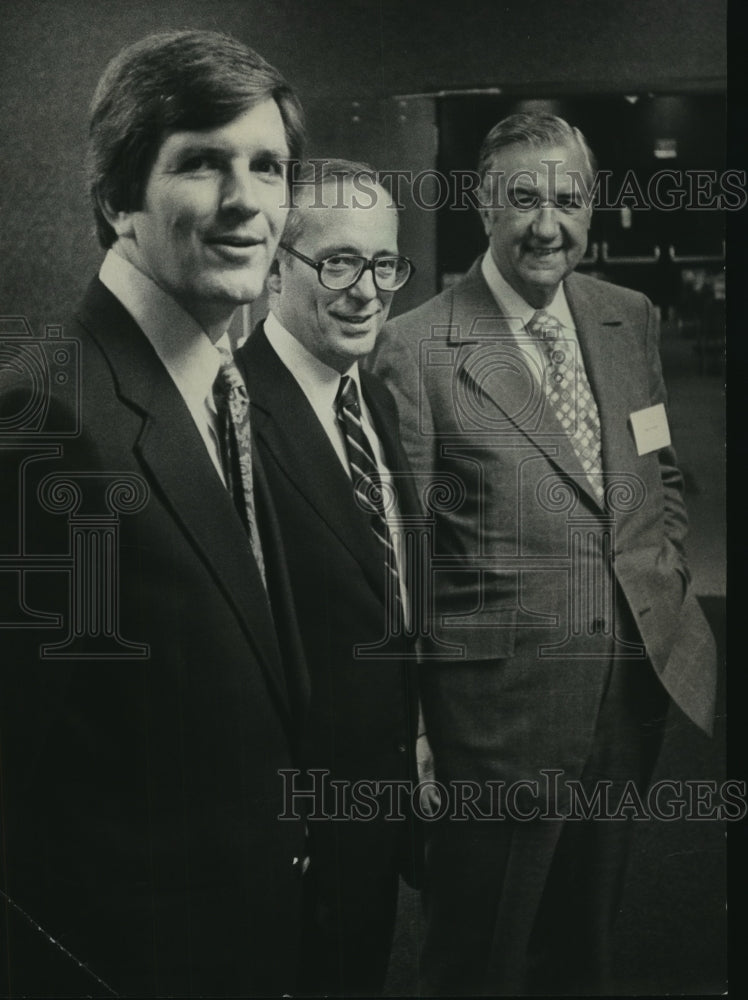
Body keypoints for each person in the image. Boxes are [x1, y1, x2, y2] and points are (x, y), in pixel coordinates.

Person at [367, 112, 717, 995]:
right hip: (494, 721)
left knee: (586, 948)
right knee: (480, 957)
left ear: (593, 206)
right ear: (484, 201)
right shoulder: (415, 350)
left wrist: (662, 571)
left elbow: (658, 470)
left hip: (629, 689)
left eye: (568, 200)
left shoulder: (624, 317)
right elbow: (397, 560)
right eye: (523, 198)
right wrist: (411, 729)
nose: (546, 224)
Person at [0, 29, 307, 997]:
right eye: (202, 163)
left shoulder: (226, 384)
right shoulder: (45, 414)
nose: (247, 202)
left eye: (268, 165)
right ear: (116, 197)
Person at [238, 159, 425, 997]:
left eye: (385, 264)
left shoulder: (370, 398)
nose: (368, 291)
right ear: (277, 265)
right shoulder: (230, 413)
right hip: (290, 838)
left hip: (376, 812)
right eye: (339, 262)